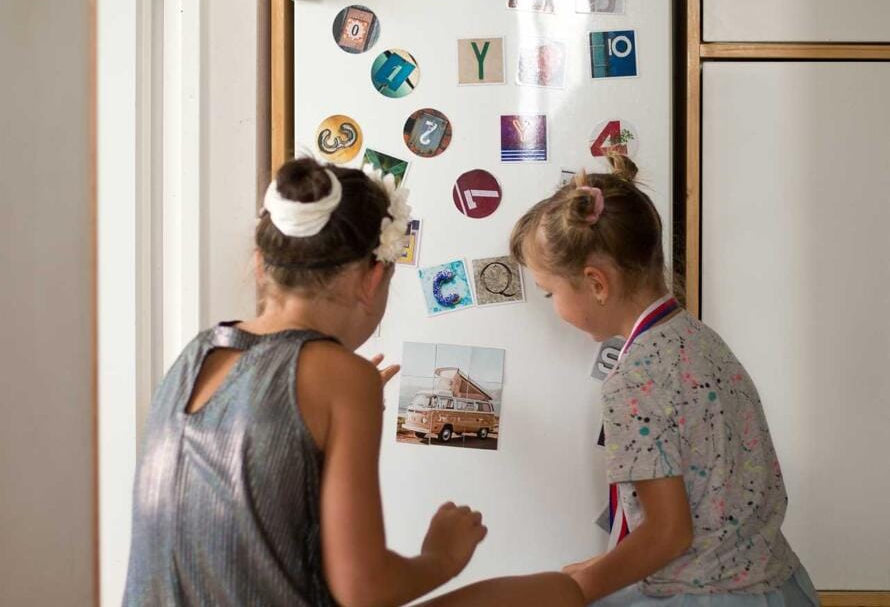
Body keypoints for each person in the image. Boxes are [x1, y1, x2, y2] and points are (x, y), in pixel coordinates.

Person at [123, 156, 583, 607]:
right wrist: (442, 557)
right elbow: (364, 590)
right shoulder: (342, 377)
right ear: (373, 278)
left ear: (262, 265)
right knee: (556, 593)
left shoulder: (197, 353)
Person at [509, 154, 819, 607]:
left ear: (596, 283)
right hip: (776, 586)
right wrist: (596, 570)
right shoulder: (698, 339)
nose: (553, 308)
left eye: (551, 292)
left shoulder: (632, 380)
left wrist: (575, 590)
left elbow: (669, 534)